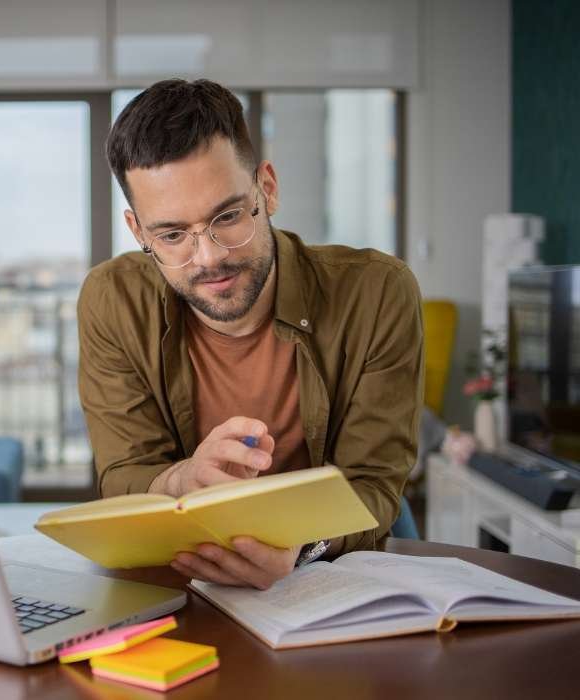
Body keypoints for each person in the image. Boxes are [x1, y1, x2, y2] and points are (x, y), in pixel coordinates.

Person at [78, 79, 424, 589]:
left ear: (267, 188)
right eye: (172, 235)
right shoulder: (112, 300)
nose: (210, 255)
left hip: (328, 574)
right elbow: (124, 473)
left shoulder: (378, 292)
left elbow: (372, 483)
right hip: (187, 580)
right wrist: (184, 479)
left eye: (228, 216)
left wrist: (300, 548)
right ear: (138, 231)